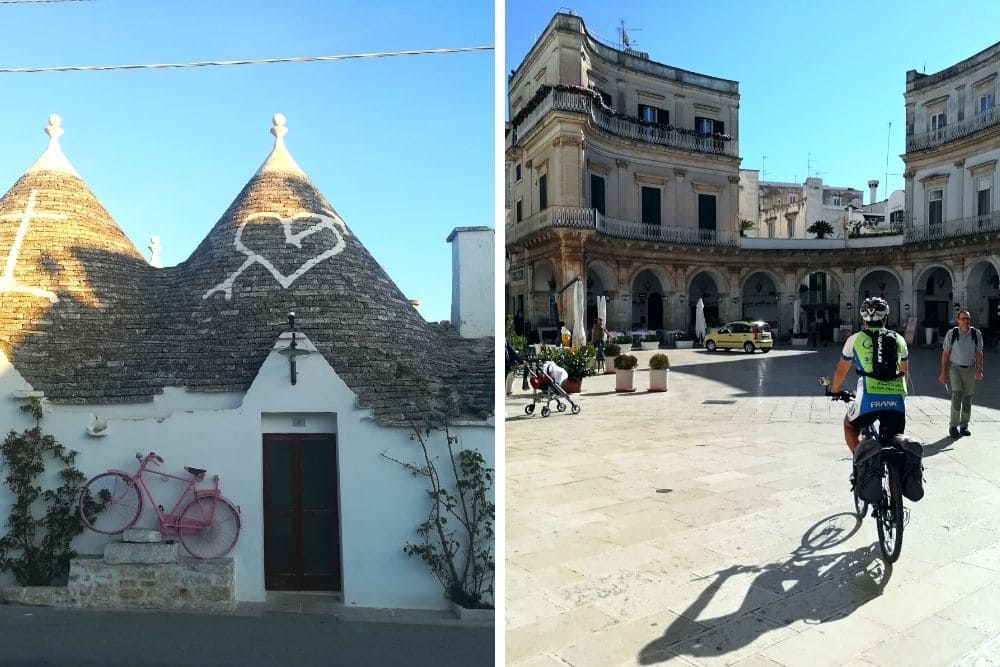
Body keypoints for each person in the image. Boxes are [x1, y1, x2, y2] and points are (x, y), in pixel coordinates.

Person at [829, 297, 909, 453]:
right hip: (896, 399)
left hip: (869, 399)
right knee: (894, 444)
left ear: (863, 320)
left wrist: (834, 389)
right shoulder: (900, 339)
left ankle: (863, 459)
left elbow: (840, 372)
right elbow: (904, 372)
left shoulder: (854, 339)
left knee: (849, 425)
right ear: (885, 318)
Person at [939, 309, 984, 438]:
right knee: (957, 395)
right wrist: (943, 372)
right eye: (963, 318)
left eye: (968, 318)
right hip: (955, 369)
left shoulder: (976, 333)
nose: (966, 321)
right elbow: (945, 353)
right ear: (958, 320)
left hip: (970, 369)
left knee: (968, 398)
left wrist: (980, 369)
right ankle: (953, 426)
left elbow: (979, 353)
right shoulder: (952, 333)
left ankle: (964, 426)